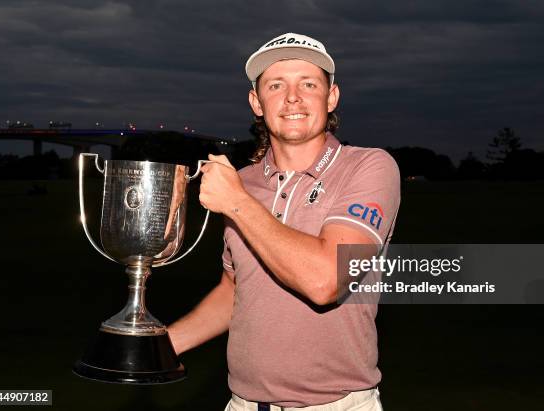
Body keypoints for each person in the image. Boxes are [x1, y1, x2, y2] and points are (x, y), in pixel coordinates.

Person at [168, 32, 400, 411]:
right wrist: (166, 344)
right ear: (256, 102)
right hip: (242, 404)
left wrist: (238, 204)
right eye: (276, 85)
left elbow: (326, 280)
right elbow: (235, 290)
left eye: (308, 83)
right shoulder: (242, 183)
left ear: (331, 97)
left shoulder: (368, 166)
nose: (293, 97)